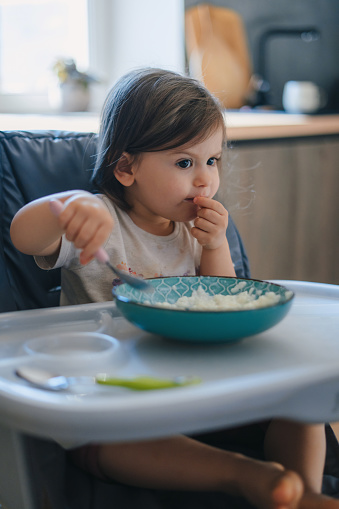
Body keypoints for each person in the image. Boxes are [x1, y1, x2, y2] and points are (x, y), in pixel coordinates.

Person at [10, 68, 338, 509]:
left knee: (302, 401)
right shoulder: (98, 222)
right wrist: (68, 207)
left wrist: (215, 245)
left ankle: (302, 492)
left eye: (212, 161)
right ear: (126, 167)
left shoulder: (193, 229)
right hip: (124, 395)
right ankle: (248, 476)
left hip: (206, 384)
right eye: (185, 163)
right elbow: (24, 236)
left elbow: (224, 299)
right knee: (102, 445)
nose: (204, 180)